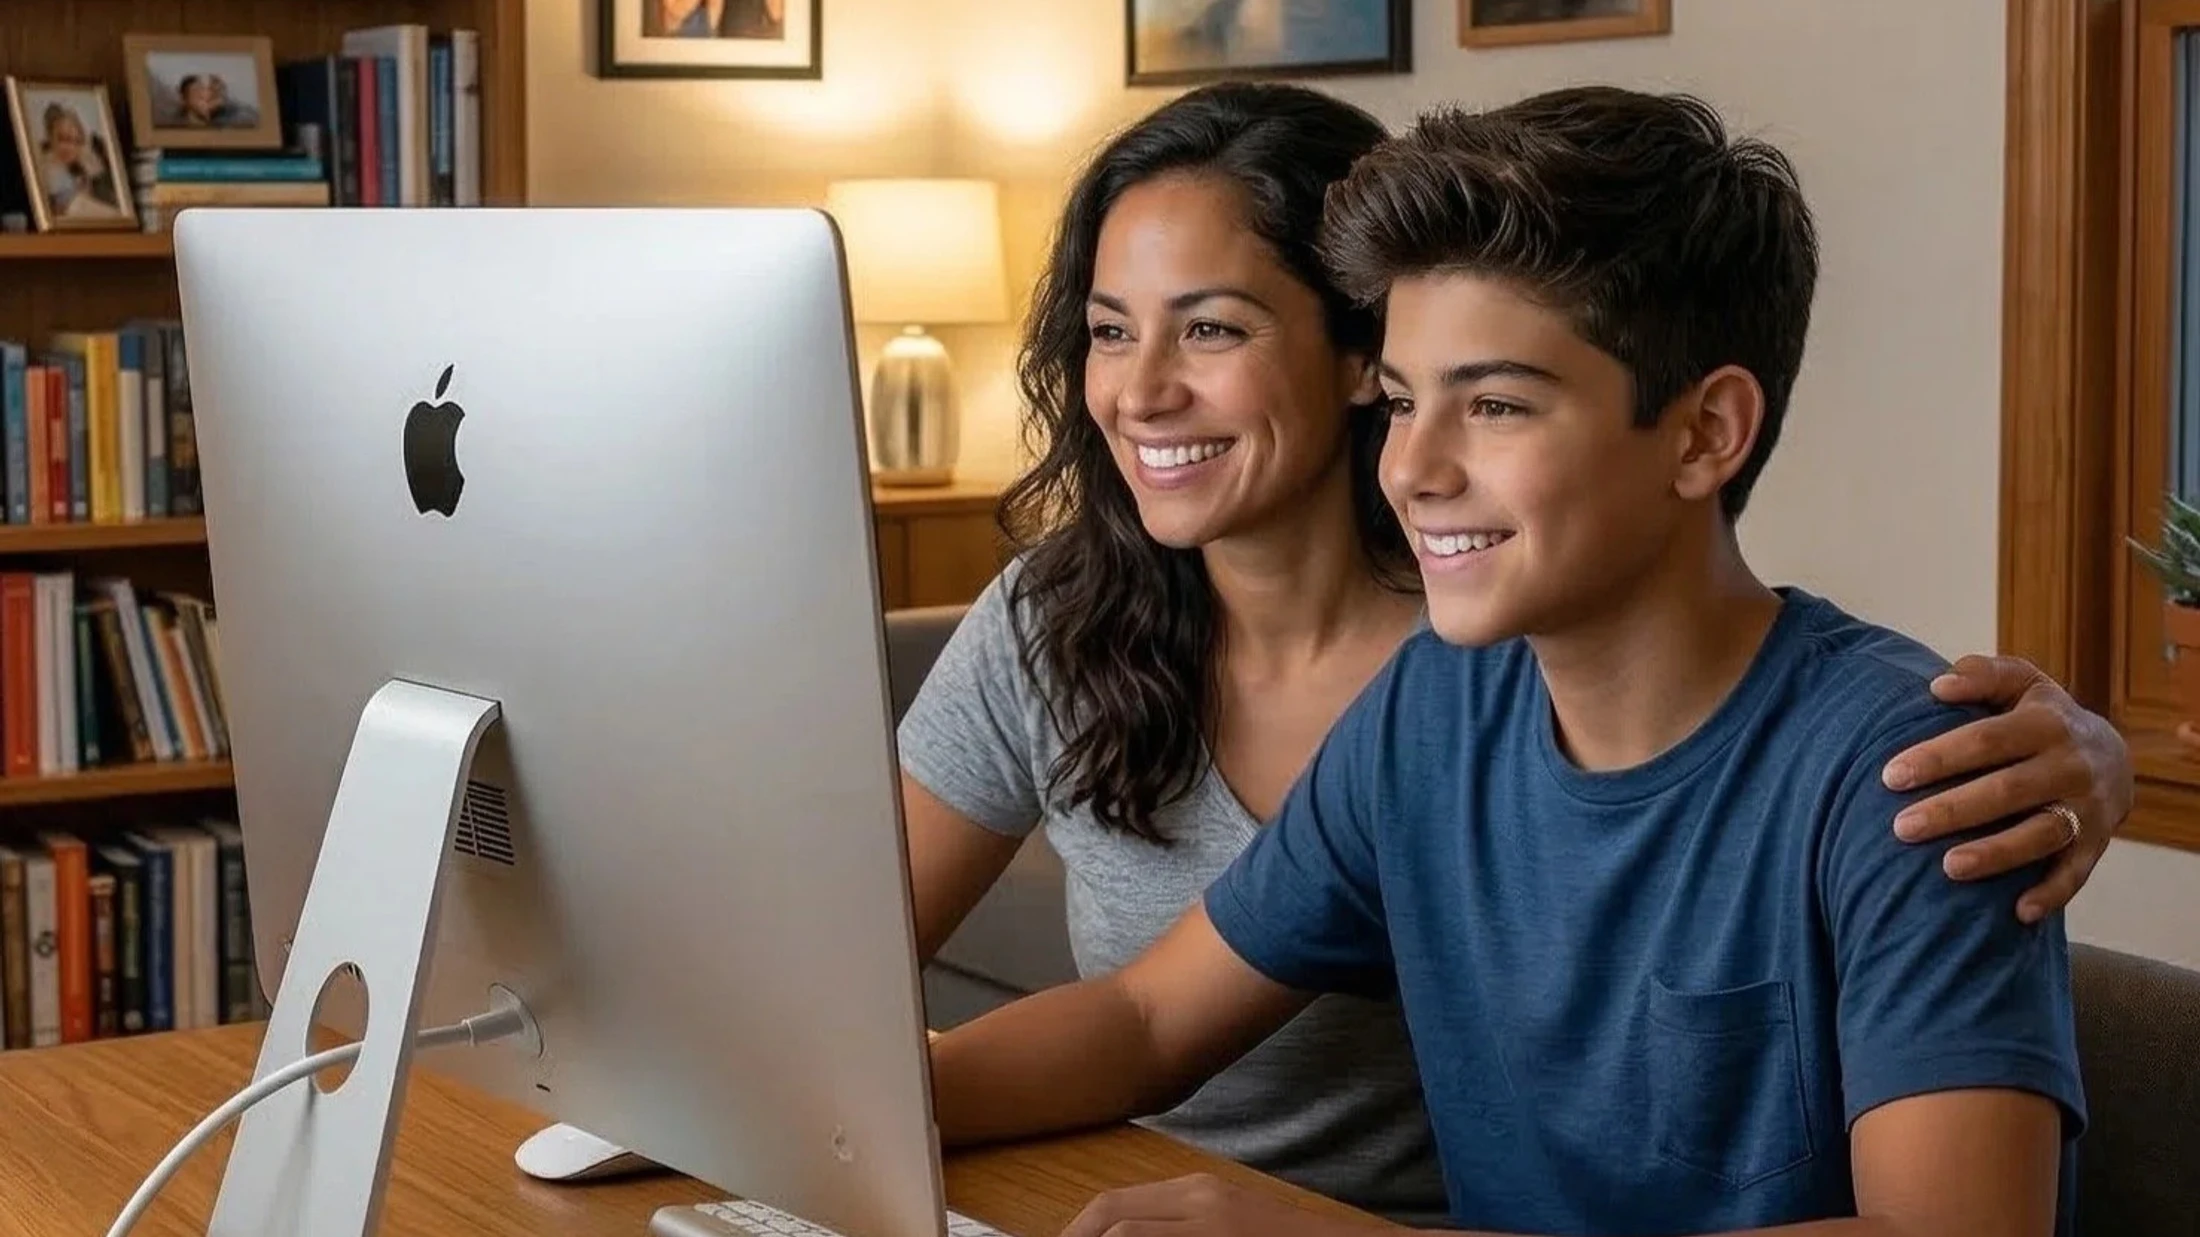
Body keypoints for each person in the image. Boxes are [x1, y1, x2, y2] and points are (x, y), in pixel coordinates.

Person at [922, 86, 2090, 1237]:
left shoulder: (1923, 773)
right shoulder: (1433, 709)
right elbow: (1143, 1017)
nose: (1410, 469)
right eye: (1399, 403)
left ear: (1703, 434)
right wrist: (865, 1101)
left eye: (1493, 408)